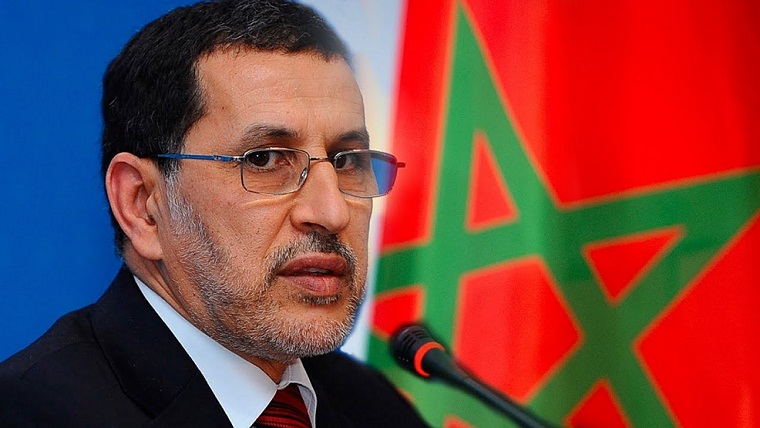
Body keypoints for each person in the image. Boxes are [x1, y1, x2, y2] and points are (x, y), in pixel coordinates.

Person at [0, 1, 429, 426]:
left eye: (347, 161)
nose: (332, 212)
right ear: (142, 204)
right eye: (264, 159)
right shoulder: (32, 412)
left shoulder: (374, 407)